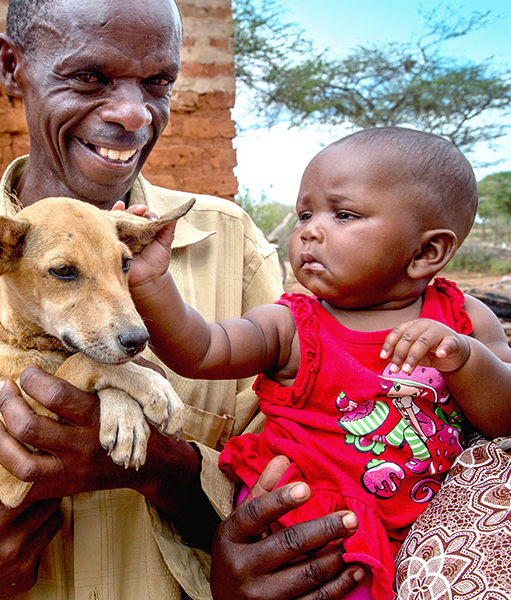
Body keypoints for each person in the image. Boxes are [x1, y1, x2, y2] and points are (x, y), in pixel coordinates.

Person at [0, 1, 370, 599]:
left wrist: (156, 465)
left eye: (159, 82)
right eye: (89, 77)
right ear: (11, 65)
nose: (132, 113)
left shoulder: (232, 248)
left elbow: (300, 477)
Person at [126, 126, 511, 599]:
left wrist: (465, 357)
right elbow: (201, 349)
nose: (309, 229)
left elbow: (504, 419)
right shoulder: (291, 326)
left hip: (427, 527)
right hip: (314, 529)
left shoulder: (464, 319)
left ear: (427, 252)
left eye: (343, 214)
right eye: (305, 213)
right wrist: (150, 284)